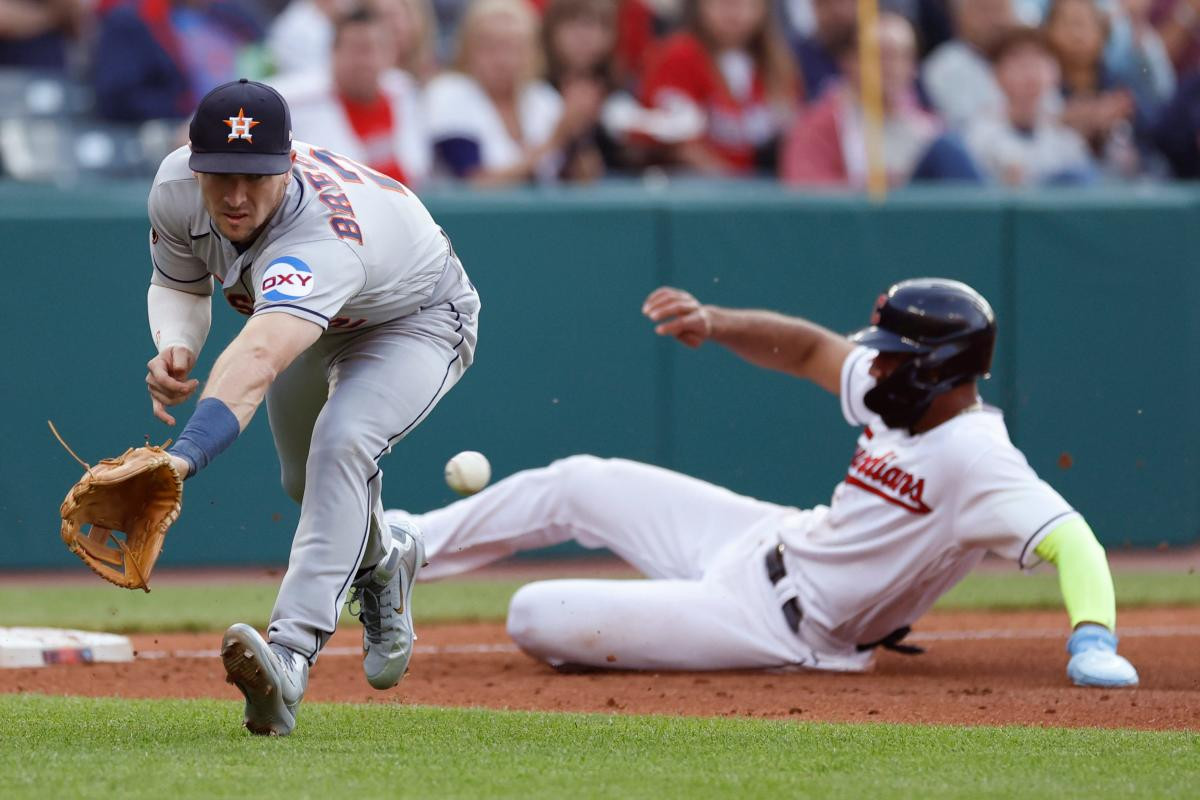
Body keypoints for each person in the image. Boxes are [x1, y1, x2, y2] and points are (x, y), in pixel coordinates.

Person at [395, 279, 1138, 690]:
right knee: (581, 481)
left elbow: (1077, 545)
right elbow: (812, 347)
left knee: (534, 614)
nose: (870, 364)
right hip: (770, 536)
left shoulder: (978, 457)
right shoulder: (899, 395)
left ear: (940, 369)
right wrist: (716, 322)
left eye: (889, 356)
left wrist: (1094, 640)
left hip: (784, 626)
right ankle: (403, 546)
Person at [144, 78, 480, 735]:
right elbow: (177, 281)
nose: (236, 195)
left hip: (414, 318)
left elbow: (261, 356)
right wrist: (178, 344)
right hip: (313, 324)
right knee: (304, 483)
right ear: (192, 162)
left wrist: (183, 458)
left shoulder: (321, 233)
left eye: (256, 176)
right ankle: (386, 557)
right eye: (220, 174)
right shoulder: (173, 188)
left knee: (342, 444)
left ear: (289, 162)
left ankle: (290, 657)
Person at [781, 13, 981, 187]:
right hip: (865, 224)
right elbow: (807, 196)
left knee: (948, 148)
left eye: (903, 56)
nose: (891, 67)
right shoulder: (818, 126)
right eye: (880, 55)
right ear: (849, 61)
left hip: (922, 222)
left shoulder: (928, 126)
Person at [425, 0, 595, 184]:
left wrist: (578, 133)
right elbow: (475, 181)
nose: (502, 59)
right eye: (490, 45)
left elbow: (581, 178)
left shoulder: (542, 98)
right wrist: (556, 139)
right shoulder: (449, 92)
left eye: (514, 46)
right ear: (468, 48)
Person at [271, 6, 431, 186]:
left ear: (391, 54)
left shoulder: (402, 92)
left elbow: (419, 171)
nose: (366, 61)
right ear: (333, 53)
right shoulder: (295, 102)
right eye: (357, 49)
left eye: (375, 49)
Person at [635, 0, 799, 175]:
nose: (733, 9)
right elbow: (676, 146)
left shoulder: (779, 65)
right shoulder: (676, 55)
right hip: (694, 191)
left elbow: (793, 140)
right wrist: (732, 184)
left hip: (763, 191)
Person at [966, 25, 1096, 185]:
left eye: (1039, 60)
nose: (1030, 71)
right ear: (997, 74)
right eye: (1019, 62)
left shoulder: (1066, 138)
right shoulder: (980, 134)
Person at [922, 0, 1020, 131]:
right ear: (960, 17)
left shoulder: (1030, 59)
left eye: (1001, 10)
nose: (996, 20)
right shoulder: (942, 68)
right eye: (985, 10)